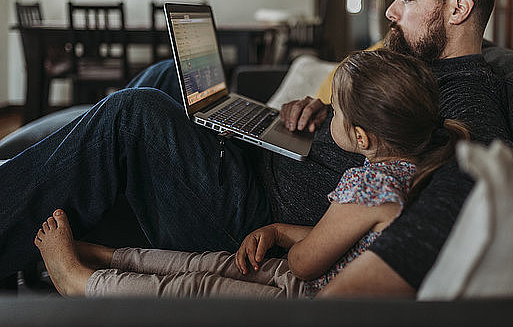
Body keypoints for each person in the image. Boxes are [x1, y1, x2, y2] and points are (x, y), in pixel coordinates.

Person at [0, 0, 511, 297]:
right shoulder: (421, 67)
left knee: (134, 114)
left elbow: (443, 187)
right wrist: (321, 112)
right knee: (163, 76)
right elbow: (379, 125)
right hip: (270, 159)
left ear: (458, 7)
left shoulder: (473, 94)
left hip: (250, 216)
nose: (392, 13)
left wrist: (299, 232)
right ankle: (58, 179)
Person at [33, 50, 469, 298]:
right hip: (300, 258)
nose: (328, 111)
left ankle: (82, 282)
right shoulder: (408, 172)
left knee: (197, 287)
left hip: (302, 291)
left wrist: (282, 234)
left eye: (335, 109)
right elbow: (344, 235)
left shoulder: (364, 187)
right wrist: (279, 229)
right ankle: (109, 252)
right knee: (204, 267)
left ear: (362, 137)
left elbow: (304, 262)